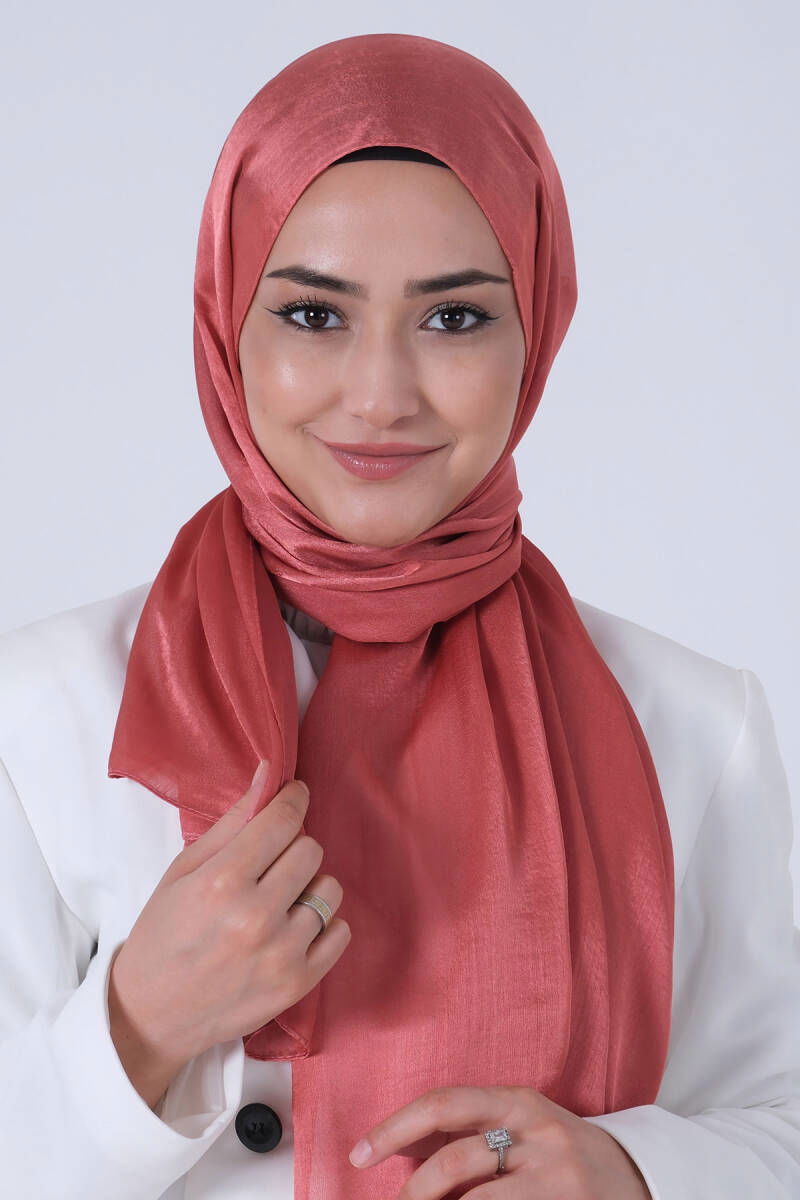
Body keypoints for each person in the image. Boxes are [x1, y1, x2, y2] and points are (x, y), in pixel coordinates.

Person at [0, 30, 798, 1200]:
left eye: (453, 319)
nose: (378, 398)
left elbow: (780, 1122)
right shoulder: (45, 710)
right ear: (226, 326)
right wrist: (139, 1026)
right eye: (312, 316)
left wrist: (633, 1173)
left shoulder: (691, 724)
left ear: (537, 330)